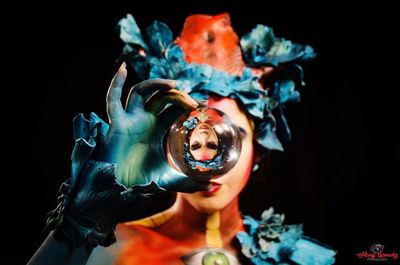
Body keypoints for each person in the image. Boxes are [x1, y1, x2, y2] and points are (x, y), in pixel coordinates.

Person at [28, 13, 336, 265]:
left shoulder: (297, 257)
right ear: (166, 143)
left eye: (224, 139)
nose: (204, 158)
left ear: (256, 152)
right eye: (194, 140)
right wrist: (85, 217)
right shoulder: (111, 251)